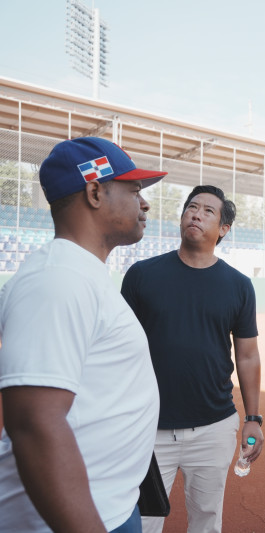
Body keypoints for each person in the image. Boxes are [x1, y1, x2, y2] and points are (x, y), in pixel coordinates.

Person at [0, 137, 165, 532]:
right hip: (71, 519)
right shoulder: (59, 278)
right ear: (94, 191)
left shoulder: (78, 273)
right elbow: (35, 423)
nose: (144, 203)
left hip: (107, 505)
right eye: (134, 190)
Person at [121, 185, 263, 533]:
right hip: (149, 429)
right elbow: (118, 348)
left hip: (213, 428)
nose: (195, 214)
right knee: (142, 522)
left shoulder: (239, 285)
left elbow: (247, 356)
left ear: (223, 229)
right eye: (191, 207)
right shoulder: (142, 274)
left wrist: (254, 417)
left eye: (208, 211)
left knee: (206, 521)